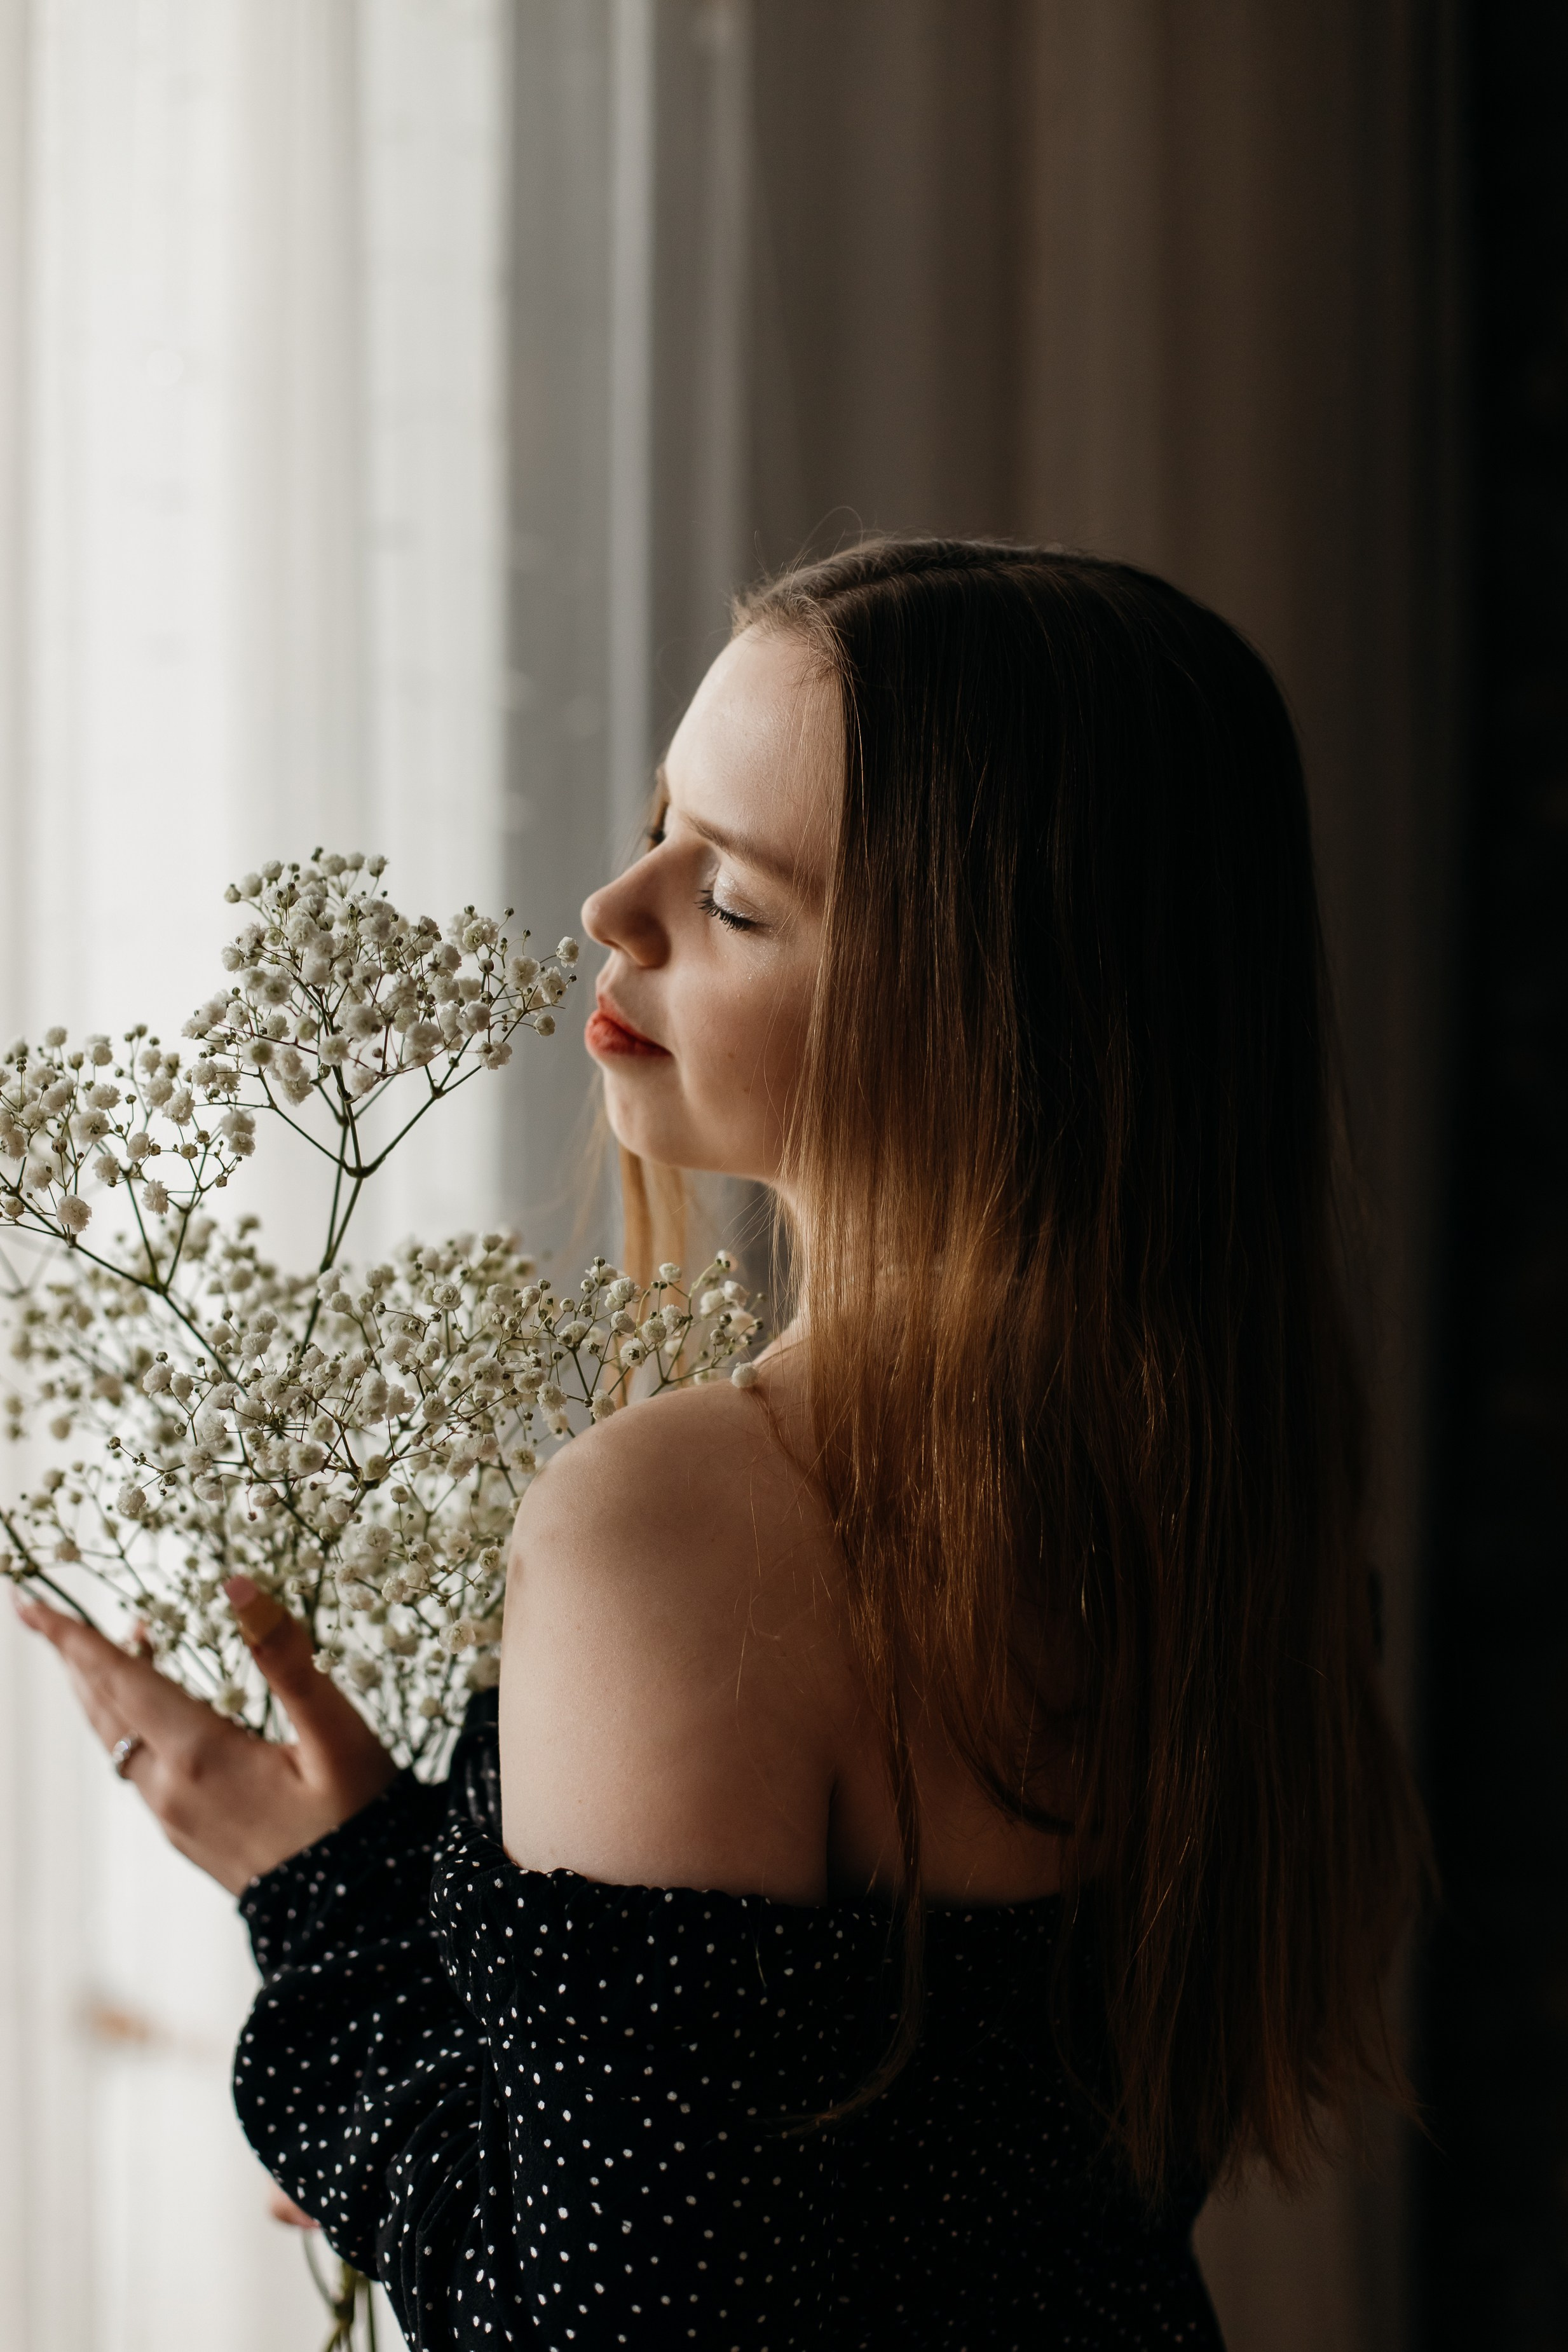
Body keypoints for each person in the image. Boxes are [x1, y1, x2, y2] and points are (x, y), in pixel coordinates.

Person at [18, 539, 1426, 2349]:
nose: (615, 904)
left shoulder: (693, 1520)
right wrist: (452, 2002)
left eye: (737, 899)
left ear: (992, 1024)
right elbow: (879, 2183)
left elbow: (613, 2315)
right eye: (660, 820)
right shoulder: (1223, 1501)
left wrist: (333, 1927)